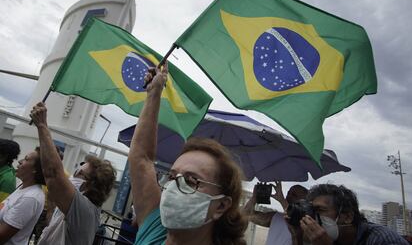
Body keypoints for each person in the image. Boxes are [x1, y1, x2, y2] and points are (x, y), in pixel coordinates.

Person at [129, 62, 247, 245]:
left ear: (221, 206)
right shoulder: (154, 228)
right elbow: (141, 158)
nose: (174, 187)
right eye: (171, 176)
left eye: (192, 181)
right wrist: (154, 92)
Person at [30, 102, 117, 245]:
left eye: (80, 174)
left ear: (91, 185)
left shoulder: (85, 209)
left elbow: (52, 174)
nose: (72, 176)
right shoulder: (72, 207)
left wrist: (42, 125)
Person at [293, 184, 409, 245]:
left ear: (348, 217)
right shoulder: (333, 238)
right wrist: (297, 236)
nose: (313, 216)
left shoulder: (383, 240)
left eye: (320, 210)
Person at [0, 147, 45, 244]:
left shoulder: (30, 197)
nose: (20, 161)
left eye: (26, 159)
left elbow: (2, 236)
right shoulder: (22, 187)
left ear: (35, 169)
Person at [244, 181, 308, 245]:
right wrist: (254, 197)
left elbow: (294, 220)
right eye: (288, 193)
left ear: (305, 202)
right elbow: (246, 214)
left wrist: (281, 199)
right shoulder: (276, 217)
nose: (289, 196)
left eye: (294, 195)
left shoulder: (306, 225)